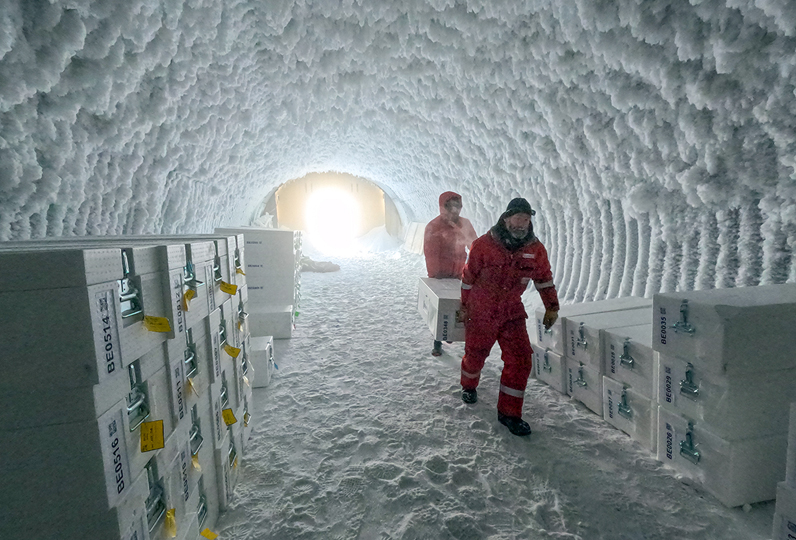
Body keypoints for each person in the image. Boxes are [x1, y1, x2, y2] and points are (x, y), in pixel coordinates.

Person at [458, 197, 559, 436]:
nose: (522, 224)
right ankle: (468, 385)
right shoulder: (484, 245)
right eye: (518, 218)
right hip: (481, 310)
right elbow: (468, 277)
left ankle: (509, 414)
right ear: (506, 219)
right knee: (476, 354)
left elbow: (544, 279)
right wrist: (464, 306)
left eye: (526, 219)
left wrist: (552, 307)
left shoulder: (535, 250)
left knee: (521, 359)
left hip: (511, 311)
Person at [424, 191, 478, 356]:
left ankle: (451, 333)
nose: (455, 210)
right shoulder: (434, 227)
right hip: (440, 275)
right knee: (441, 307)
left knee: (459, 305)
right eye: (451, 206)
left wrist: (476, 266)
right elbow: (431, 254)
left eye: (457, 206)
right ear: (443, 207)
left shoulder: (464, 224)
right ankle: (437, 341)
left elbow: (474, 246)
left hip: (459, 272)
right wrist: (435, 276)